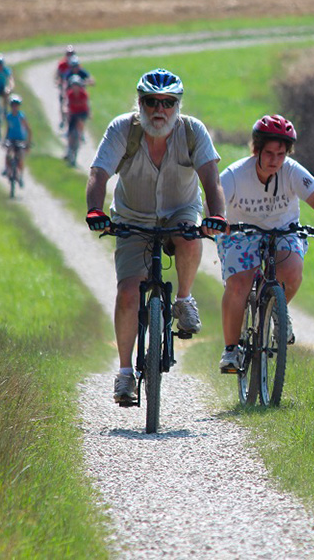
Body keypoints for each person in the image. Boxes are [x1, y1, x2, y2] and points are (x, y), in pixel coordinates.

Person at [85, 68, 227, 405]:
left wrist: (216, 216)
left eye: (167, 102)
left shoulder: (193, 131)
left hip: (180, 211)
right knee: (127, 292)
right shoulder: (123, 129)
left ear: (177, 105)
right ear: (140, 103)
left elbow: (211, 179)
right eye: (150, 102)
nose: (158, 110)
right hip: (133, 218)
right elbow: (99, 171)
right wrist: (95, 210)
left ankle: (183, 300)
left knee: (191, 238)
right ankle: (123, 374)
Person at [216, 115, 314, 373]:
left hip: (283, 230)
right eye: (269, 153)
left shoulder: (292, 171)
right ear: (256, 150)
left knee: (292, 271)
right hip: (241, 232)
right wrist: (216, 220)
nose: (275, 160)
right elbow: (213, 203)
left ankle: (276, 308)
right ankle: (231, 350)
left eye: (281, 154)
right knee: (239, 283)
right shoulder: (235, 175)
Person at [2, 95, 32, 185]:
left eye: (16, 105)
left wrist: (28, 143)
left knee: (20, 157)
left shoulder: (21, 116)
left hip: (20, 139)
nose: (14, 107)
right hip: (11, 138)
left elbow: (28, 129)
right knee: (8, 153)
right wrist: (5, 139)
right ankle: (7, 169)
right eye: (13, 105)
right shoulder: (9, 116)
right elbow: (8, 128)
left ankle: (20, 176)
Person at [64, 74, 90, 166]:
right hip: (73, 113)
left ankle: (81, 134)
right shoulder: (70, 94)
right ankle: (69, 148)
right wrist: (67, 112)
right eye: (74, 86)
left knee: (80, 122)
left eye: (77, 86)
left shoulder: (83, 94)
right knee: (71, 132)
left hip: (82, 112)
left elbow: (87, 104)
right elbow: (67, 105)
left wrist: (89, 113)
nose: (75, 88)